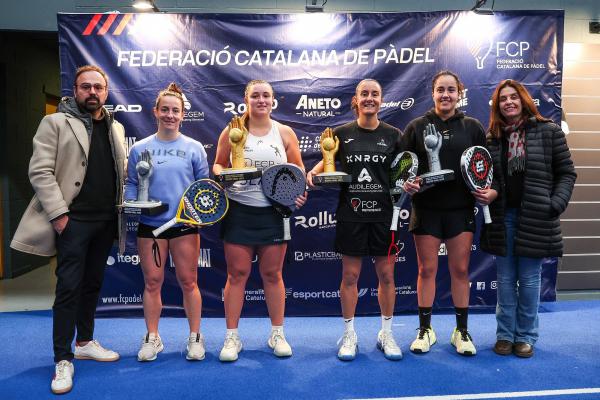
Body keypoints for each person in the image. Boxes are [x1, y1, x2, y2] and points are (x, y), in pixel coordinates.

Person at [11, 65, 126, 394]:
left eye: (98, 87)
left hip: (105, 220)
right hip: (72, 221)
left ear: (106, 91)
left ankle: (85, 342)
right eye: (86, 87)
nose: (92, 92)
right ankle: (63, 358)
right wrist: (60, 215)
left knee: (92, 284)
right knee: (68, 289)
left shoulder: (114, 126)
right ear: (75, 90)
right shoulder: (55, 122)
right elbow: (40, 172)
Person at [477, 79, 576, 358]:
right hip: (503, 217)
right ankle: (505, 336)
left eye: (513, 97)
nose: (508, 102)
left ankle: (526, 337)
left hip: (536, 217)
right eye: (503, 99)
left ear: (523, 100)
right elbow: (491, 178)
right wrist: (490, 193)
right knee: (506, 280)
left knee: (530, 280)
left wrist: (554, 205)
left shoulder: (548, 132)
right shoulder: (493, 138)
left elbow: (567, 173)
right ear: (497, 106)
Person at [307, 79, 403, 361]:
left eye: (375, 93)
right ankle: (349, 334)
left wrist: (409, 184)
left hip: (385, 216)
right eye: (365, 94)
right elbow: (325, 163)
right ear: (356, 100)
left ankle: (386, 333)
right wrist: (312, 175)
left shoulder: (394, 134)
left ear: (381, 100)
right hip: (352, 215)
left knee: (386, 276)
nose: (370, 98)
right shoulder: (340, 133)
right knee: (350, 277)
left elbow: (404, 170)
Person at [213, 79, 306, 362]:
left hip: (274, 212)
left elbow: (298, 169)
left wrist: (297, 193)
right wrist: (224, 176)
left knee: (272, 275)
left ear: (273, 100)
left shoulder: (285, 132)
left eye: (266, 95)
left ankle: (277, 333)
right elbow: (217, 164)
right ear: (246, 100)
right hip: (239, 210)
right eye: (256, 96)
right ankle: (232, 337)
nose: (261, 100)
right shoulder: (232, 130)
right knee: (236, 275)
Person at [402, 70, 486, 356]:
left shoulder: (473, 127)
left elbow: (484, 166)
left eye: (451, 90)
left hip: (460, 210)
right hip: (426, 210)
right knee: (427, 270)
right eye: (440, 89)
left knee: (460, 270)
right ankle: (425, 330)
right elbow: (403, 167)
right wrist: (407, 183)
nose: (445, 95)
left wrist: (489, 189)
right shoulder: (416, 126)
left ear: (459, 92)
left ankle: (461, 331)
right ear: (433, 92)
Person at [124, 83, 209, 362]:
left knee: (188, 281)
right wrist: (131, 204)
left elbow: (202, 188)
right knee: (152, 282)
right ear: (155, 112)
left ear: (183, 114)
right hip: (150, 226)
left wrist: (198, 214)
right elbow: (132, 184)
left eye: (176, 110)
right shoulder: (140, 148)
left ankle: (195, 337)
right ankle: (152, 337)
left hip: (184, 225)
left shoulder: (194, 148)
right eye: (165, 110)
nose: (170, 115)